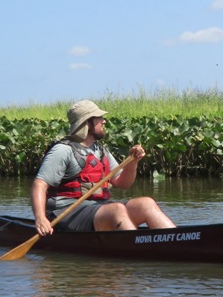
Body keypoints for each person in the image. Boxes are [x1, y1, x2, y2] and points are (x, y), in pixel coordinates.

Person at [31, 100, 175, 236]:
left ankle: (175, 240)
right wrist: (40, 218)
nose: (104, 121)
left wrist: (133, 162)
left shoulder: (100, 150)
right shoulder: (63, 150)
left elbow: (123, 183)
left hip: (98, 208)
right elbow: (39, 185)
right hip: (65, 212)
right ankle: (137, 247)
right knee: (116, 210)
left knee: (146, 203)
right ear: (87, 123)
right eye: (99, 118)